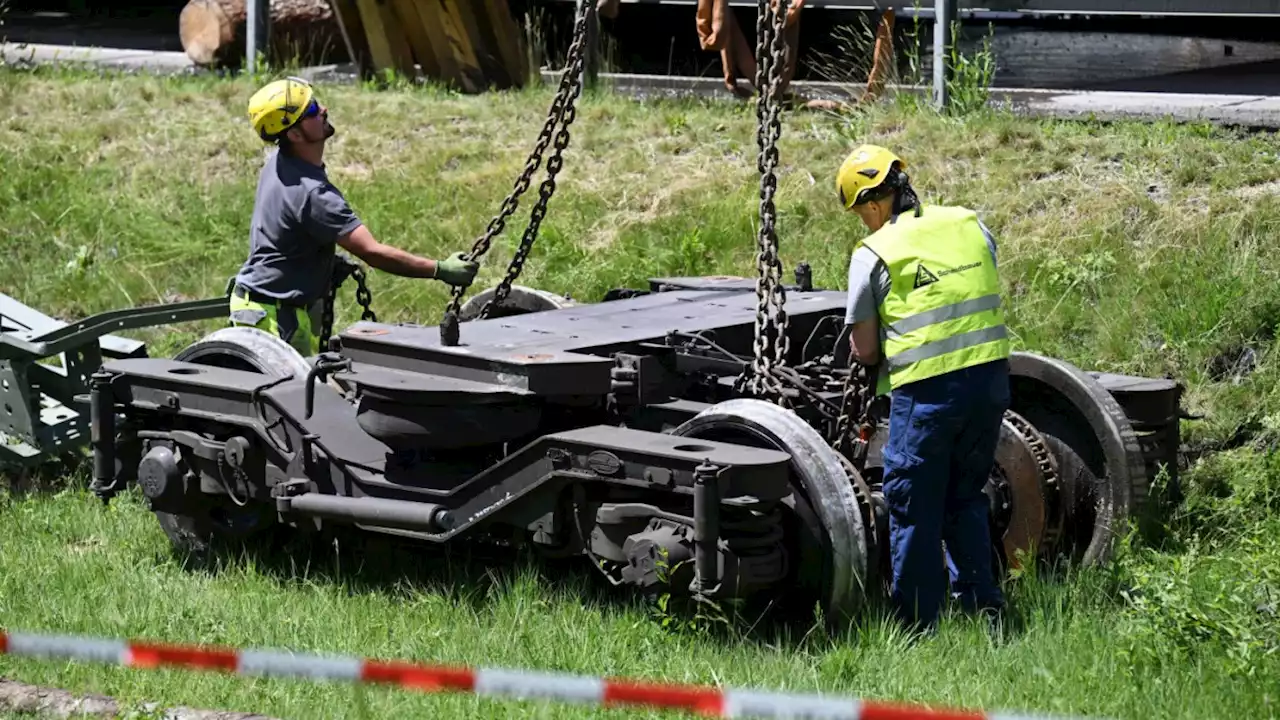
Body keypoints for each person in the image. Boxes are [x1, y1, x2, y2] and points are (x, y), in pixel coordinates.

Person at [836, 144, 1010, 632]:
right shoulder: (968, 223)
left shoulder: (874, 252)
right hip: (991, 382)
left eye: (859, 213)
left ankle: (916, 625)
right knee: (966, 496)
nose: (862, 222)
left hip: (929, 394)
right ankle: (985, 613)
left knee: (913, 505)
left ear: (872, 204)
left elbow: (865, 349)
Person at [233, 76, 479, 355]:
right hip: (275, 317)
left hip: (261, 304)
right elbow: (372, 252)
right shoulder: (315, 195)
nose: (323, 109)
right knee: (294, 395)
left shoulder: (279, 163)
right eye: (312, 110)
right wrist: (440, 270)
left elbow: (285, 230)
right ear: (295, 134)